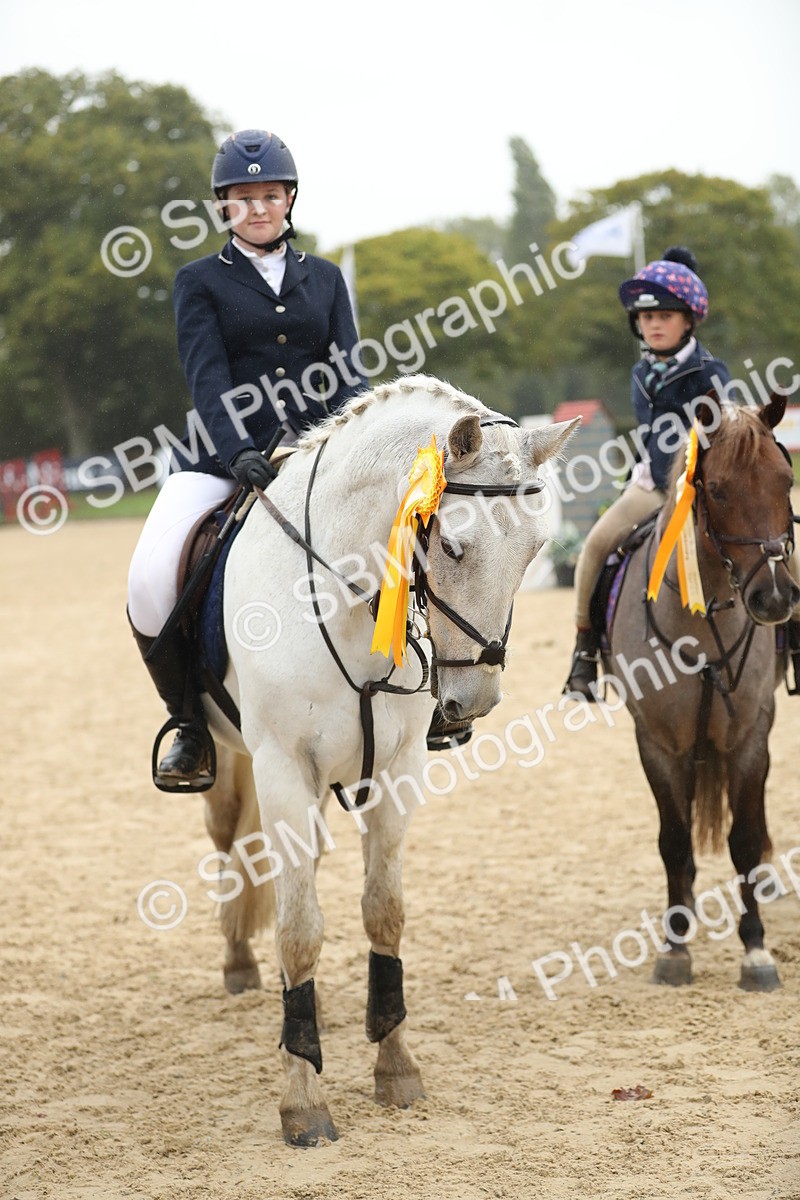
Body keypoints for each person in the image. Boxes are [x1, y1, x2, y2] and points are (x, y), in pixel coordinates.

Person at [127, 128, 365, 788]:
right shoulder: (199, 281)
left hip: (318, 453)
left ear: (289, 199)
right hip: (223, 457)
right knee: (149, 580)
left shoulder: (326, 278)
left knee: (402, 533)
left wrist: (363, 430)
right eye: (242, 198)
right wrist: (236, 451)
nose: (257, 208)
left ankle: (421, 692)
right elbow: (207, 376)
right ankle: (189, 723)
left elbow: (348, 373)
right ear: (222, 207)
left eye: (268, 195)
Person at [564, 246, 731, 697]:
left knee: (782, 551)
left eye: (666, 315)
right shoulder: (641, 371)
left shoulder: (710, 373)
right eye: (644, 316)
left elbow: (720, 439)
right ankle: (584, 652)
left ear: (689, 320)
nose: (653, 324)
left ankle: (792, 640)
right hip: (652, 488)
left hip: (701, 487)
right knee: (596, 545)